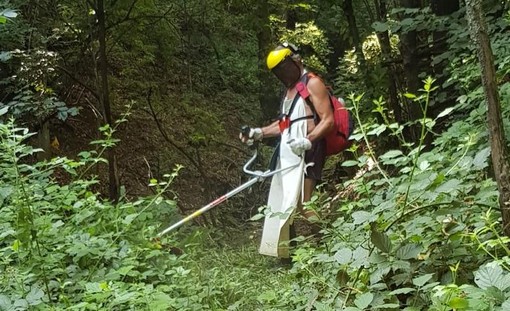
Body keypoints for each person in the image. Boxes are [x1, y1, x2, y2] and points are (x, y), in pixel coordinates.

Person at [240, 42, 334, 228]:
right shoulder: (289, 91)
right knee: (293, 202)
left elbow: (328, 120)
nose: (283, 74)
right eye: (278, 71)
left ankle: (330, 242)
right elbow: (285, 124)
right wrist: (259, 133)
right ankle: (293, 250)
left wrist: (308, 140)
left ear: (296, 61)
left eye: (284, 68)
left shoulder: (313, 83)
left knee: (304, 204)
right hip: (290, 151)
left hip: (310, 149)